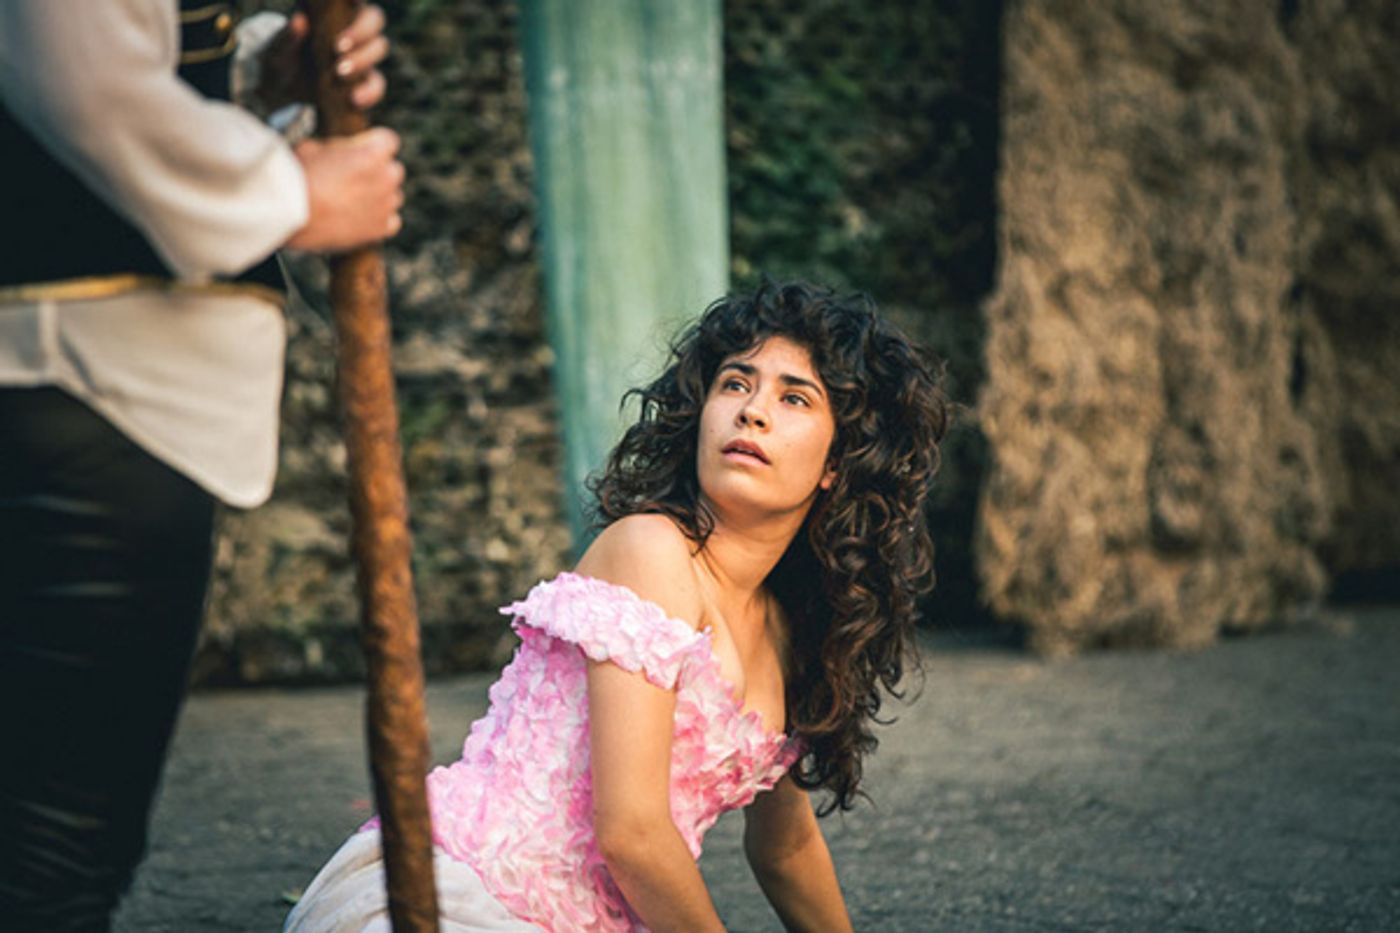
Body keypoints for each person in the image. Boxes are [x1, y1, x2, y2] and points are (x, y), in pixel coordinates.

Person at [284, 280, 951, 931]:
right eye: (735, 383)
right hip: (461, 891)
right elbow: (630, 833)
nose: (752, 410)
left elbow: (785, 847)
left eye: (794, 397)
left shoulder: (792, 630)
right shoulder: (651, 550)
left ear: (839, 462)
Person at [0, 2, 401, 929]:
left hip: (83, 383)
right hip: (83, 381)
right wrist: (288, 193)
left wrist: (255, 78)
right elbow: (79, 75)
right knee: (50, 854)